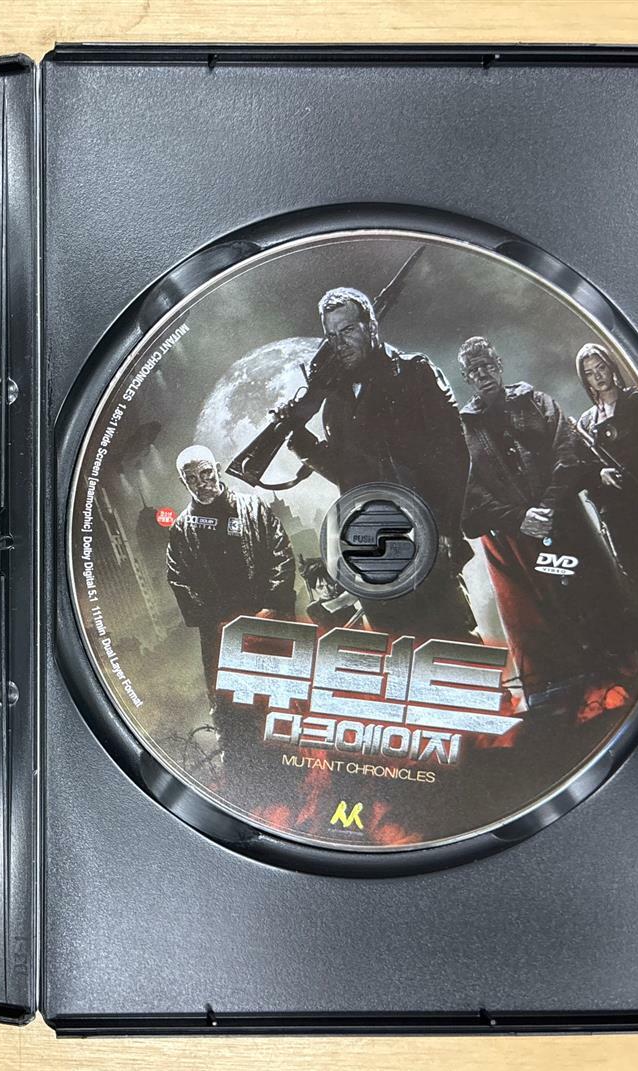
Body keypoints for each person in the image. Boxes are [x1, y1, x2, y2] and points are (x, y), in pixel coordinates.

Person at [457, 337, 638, 711]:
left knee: (594, 599)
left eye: (486, 365)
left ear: (498, 365)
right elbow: (470, 491)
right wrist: (521, 518)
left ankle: (623, 679)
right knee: (545, 622)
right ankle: (569, 700)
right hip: (520, 540)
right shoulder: (465, 428)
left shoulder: (537, 402)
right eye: (473, 370)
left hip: (566, 524)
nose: (482, 373)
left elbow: (568, 453)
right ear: (467, 378)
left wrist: (547, 507)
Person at [285, 286, 480, 643]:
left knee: (453, 641)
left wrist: (448, 528)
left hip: (425, 534)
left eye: (347, 330)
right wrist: (304, 445)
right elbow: (347, 474)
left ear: (371, 325)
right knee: (397, 648)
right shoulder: (335, 401)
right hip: (371, 549)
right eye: (331, 335)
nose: (339, 343)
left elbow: (455, 456)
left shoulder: (414, 372)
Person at [165, 445, 296, 788]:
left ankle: (294, 778)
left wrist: (272, 607)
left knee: (280, 700)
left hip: (267, 624)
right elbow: (179, 579)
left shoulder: (253, 508)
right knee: (230, 711)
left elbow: (281, 553)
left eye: (206, 473)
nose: (201, 483)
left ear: (218, 469)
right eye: (192, 479)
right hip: (220, 636)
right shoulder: (181, 529)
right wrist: (215, 622)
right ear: (183, 482)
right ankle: (246, 784)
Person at [575, 342, 638, 621]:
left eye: (601, 367)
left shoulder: (637, 400)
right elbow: (583, 470)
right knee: (635, 578)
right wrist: (600, 475)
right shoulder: (586, 423)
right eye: (590, 373)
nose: (598, 376)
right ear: (585, 380)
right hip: (618, 508)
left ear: (611, 367)